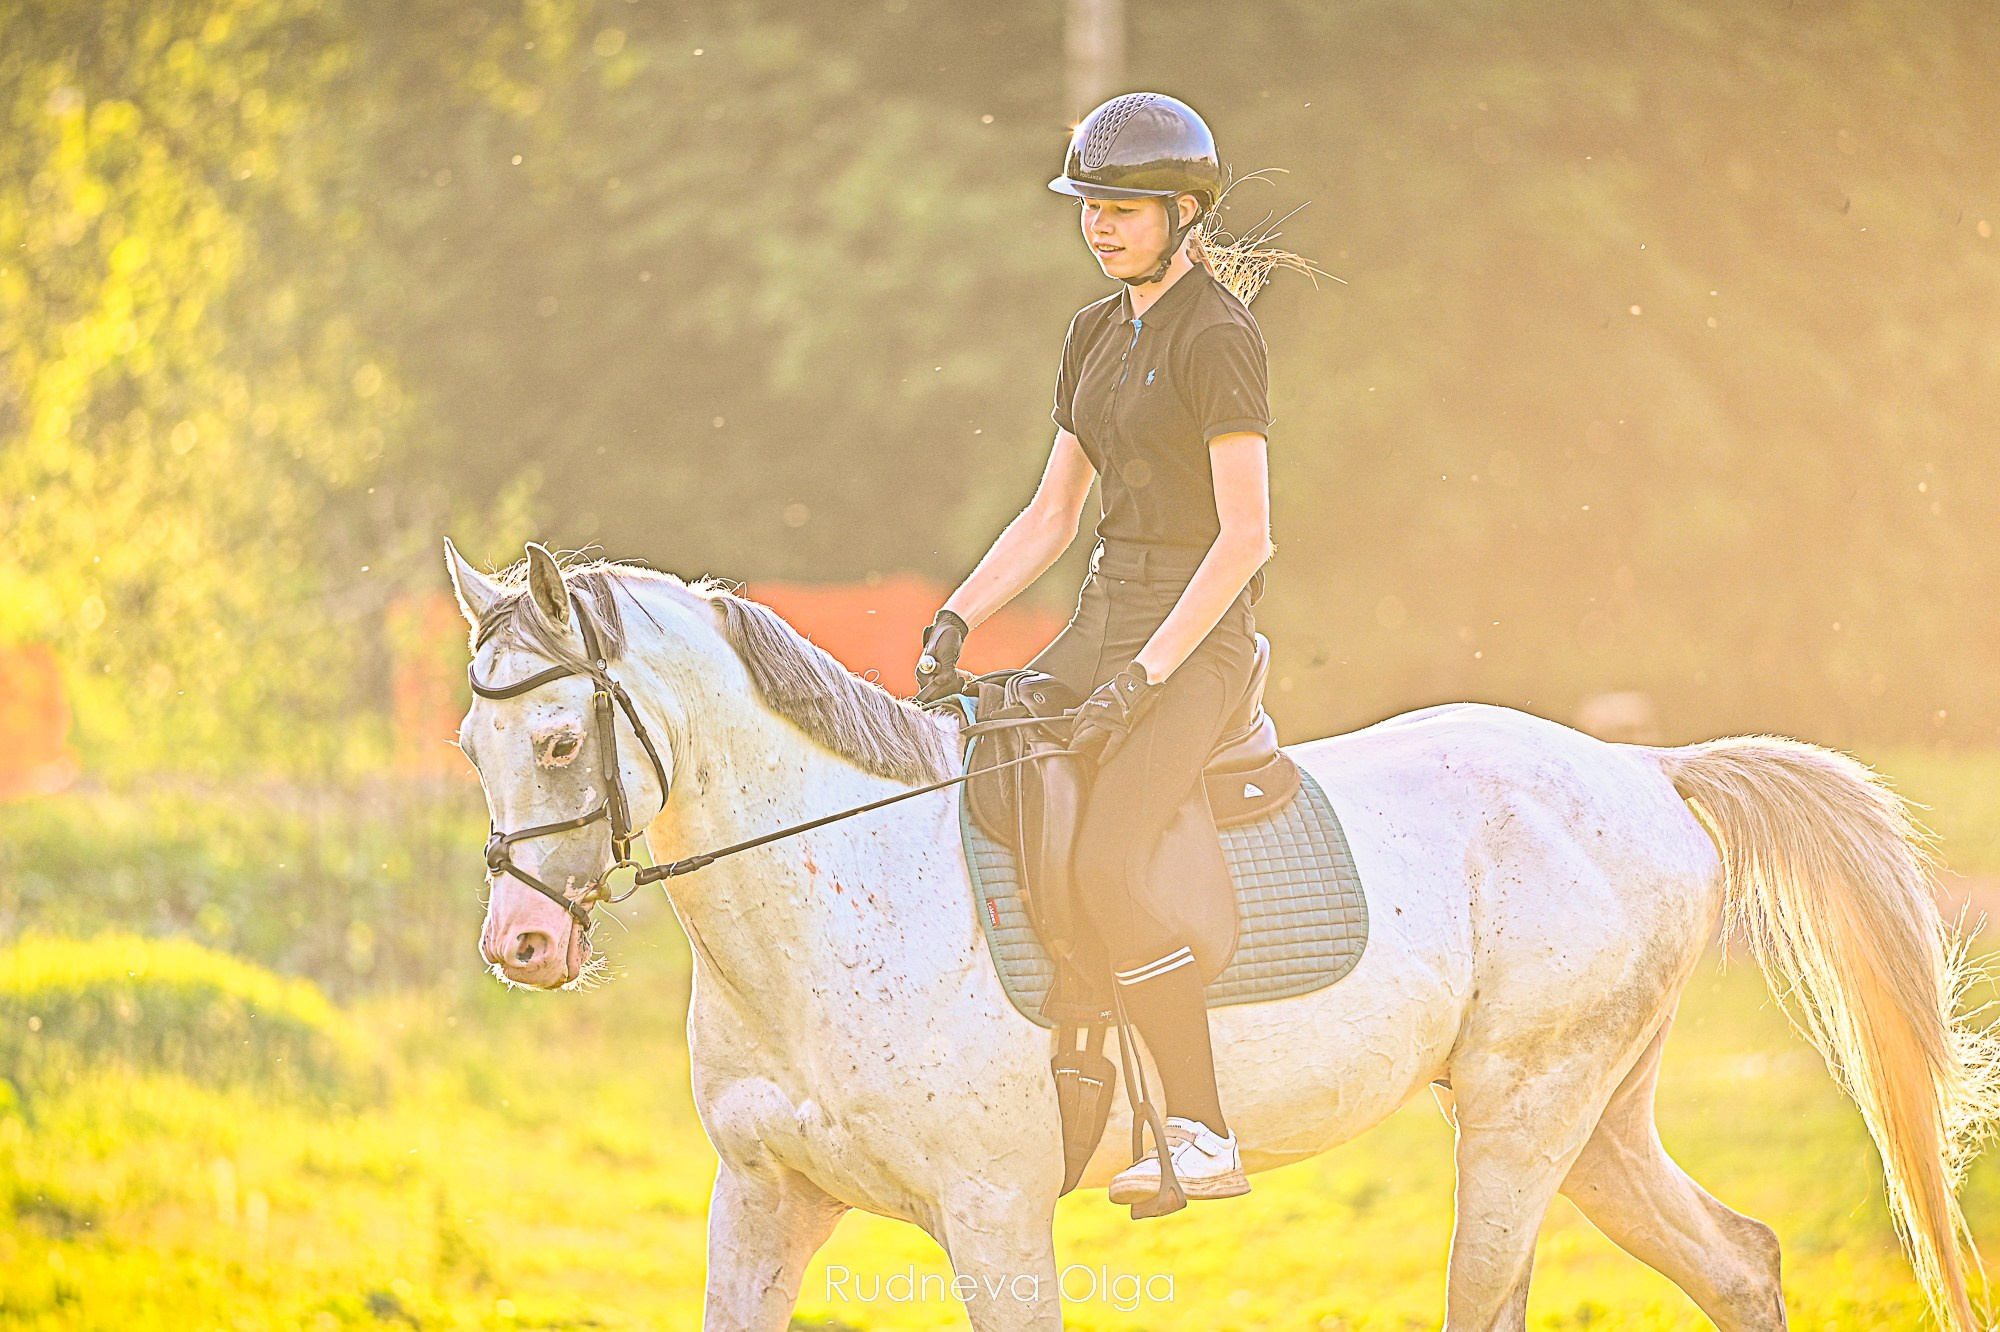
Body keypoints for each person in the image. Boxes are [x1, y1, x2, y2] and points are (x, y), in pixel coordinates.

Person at [916, 92, 1284, 1205]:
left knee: (1109, 859)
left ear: (1183, 212)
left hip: (1198, 643)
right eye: (1088, 206)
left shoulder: (1219, 337)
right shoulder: (1090, 331)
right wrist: (955, 617)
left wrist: (1147, 675)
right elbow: (1049, 517)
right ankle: (1066, 1041)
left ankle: (1197, 1128)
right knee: (990, 765)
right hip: (1102, 621)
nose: (1099, 225)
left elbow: (1246, 536)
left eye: (1122, 208)